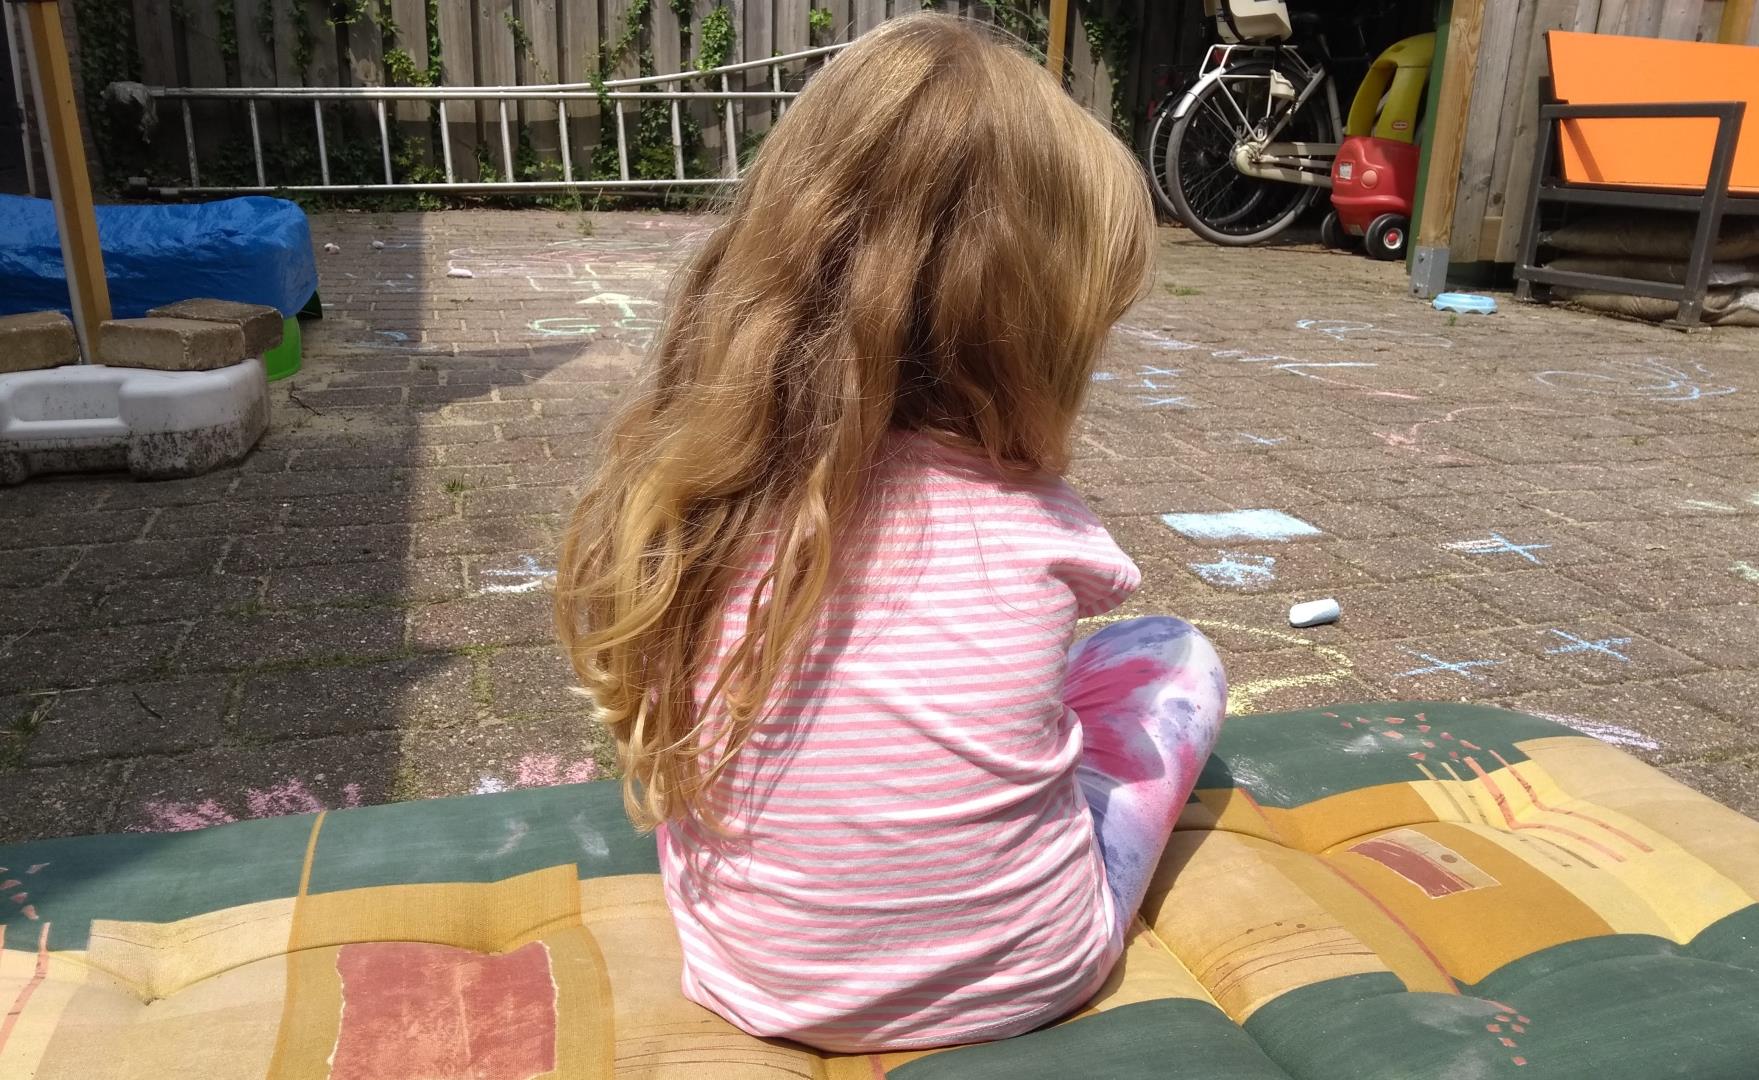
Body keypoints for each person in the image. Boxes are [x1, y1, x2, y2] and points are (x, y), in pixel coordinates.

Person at [557, 12, 1227, 1053]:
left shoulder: (696, 501)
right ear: (1037, 337)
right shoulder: (1041, 526)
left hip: (754, 980)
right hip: (1037, 973)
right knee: (1170, 653)